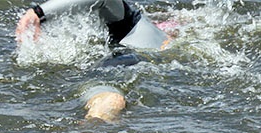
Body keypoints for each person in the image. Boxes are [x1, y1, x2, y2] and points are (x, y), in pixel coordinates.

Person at [15, 0, 173, 122]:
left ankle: (92, 126)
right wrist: (37, 13)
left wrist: (40, 13)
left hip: (87, 74)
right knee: (110, 100)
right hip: (127, 64)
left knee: (106, 99)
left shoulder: (128, 24)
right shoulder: (135, 24)